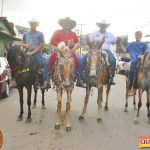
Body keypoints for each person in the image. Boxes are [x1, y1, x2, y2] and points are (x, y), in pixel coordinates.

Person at [41, 17, 85, 89]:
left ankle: (80, 79)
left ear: (71, 24)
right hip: (58, 51)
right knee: (46, 62)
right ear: (63, 24)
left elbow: (78, 43)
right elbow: (51, 44)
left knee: (80, 60)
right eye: (65, 22)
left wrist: (73, 48)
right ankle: (46, 81)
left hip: (71, 52)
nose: (67, 24)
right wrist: (58, 49)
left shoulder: (73, 34)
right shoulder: (57, 32)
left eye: (68, 23)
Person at [85, 20, 119, 85]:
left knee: (113, 60)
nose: (103, 27)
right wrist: (93, 44)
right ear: (100, 26)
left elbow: (115, 41)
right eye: (102, 25)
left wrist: (118, 40)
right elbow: (89, 41)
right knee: (84, 58)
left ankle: (111, 77)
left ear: (106, 27)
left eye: (104, 26)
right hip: (95, 49)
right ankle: (83, 76)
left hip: (106, 50)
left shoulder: (109, 34)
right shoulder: (94, 33)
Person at [120, 31, 148, 96]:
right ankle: (131, 88)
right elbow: (125, 50)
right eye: (137, 35)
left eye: (139, 35)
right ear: (135, 36)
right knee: (132, 71)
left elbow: (146, 53)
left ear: (141, 36)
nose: (138, 36)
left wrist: (142, 56)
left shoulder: (144, 44)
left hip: (143, 61)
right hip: (134, 61)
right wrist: (120, 43)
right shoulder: (131, 44)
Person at [20, 18, 45, 87]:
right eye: (31, 24)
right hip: (27, 52)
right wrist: (25, 45)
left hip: (36, 52)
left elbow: (41, 45)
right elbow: (21, 43)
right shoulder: (25, 33)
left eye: (34, 24)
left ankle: (40, 81)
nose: (32, 25)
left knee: (40, 64)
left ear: (36, 25)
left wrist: (32, 52)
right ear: (30, 24)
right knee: (19, 63)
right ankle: (18, 80)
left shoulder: (40, 34)